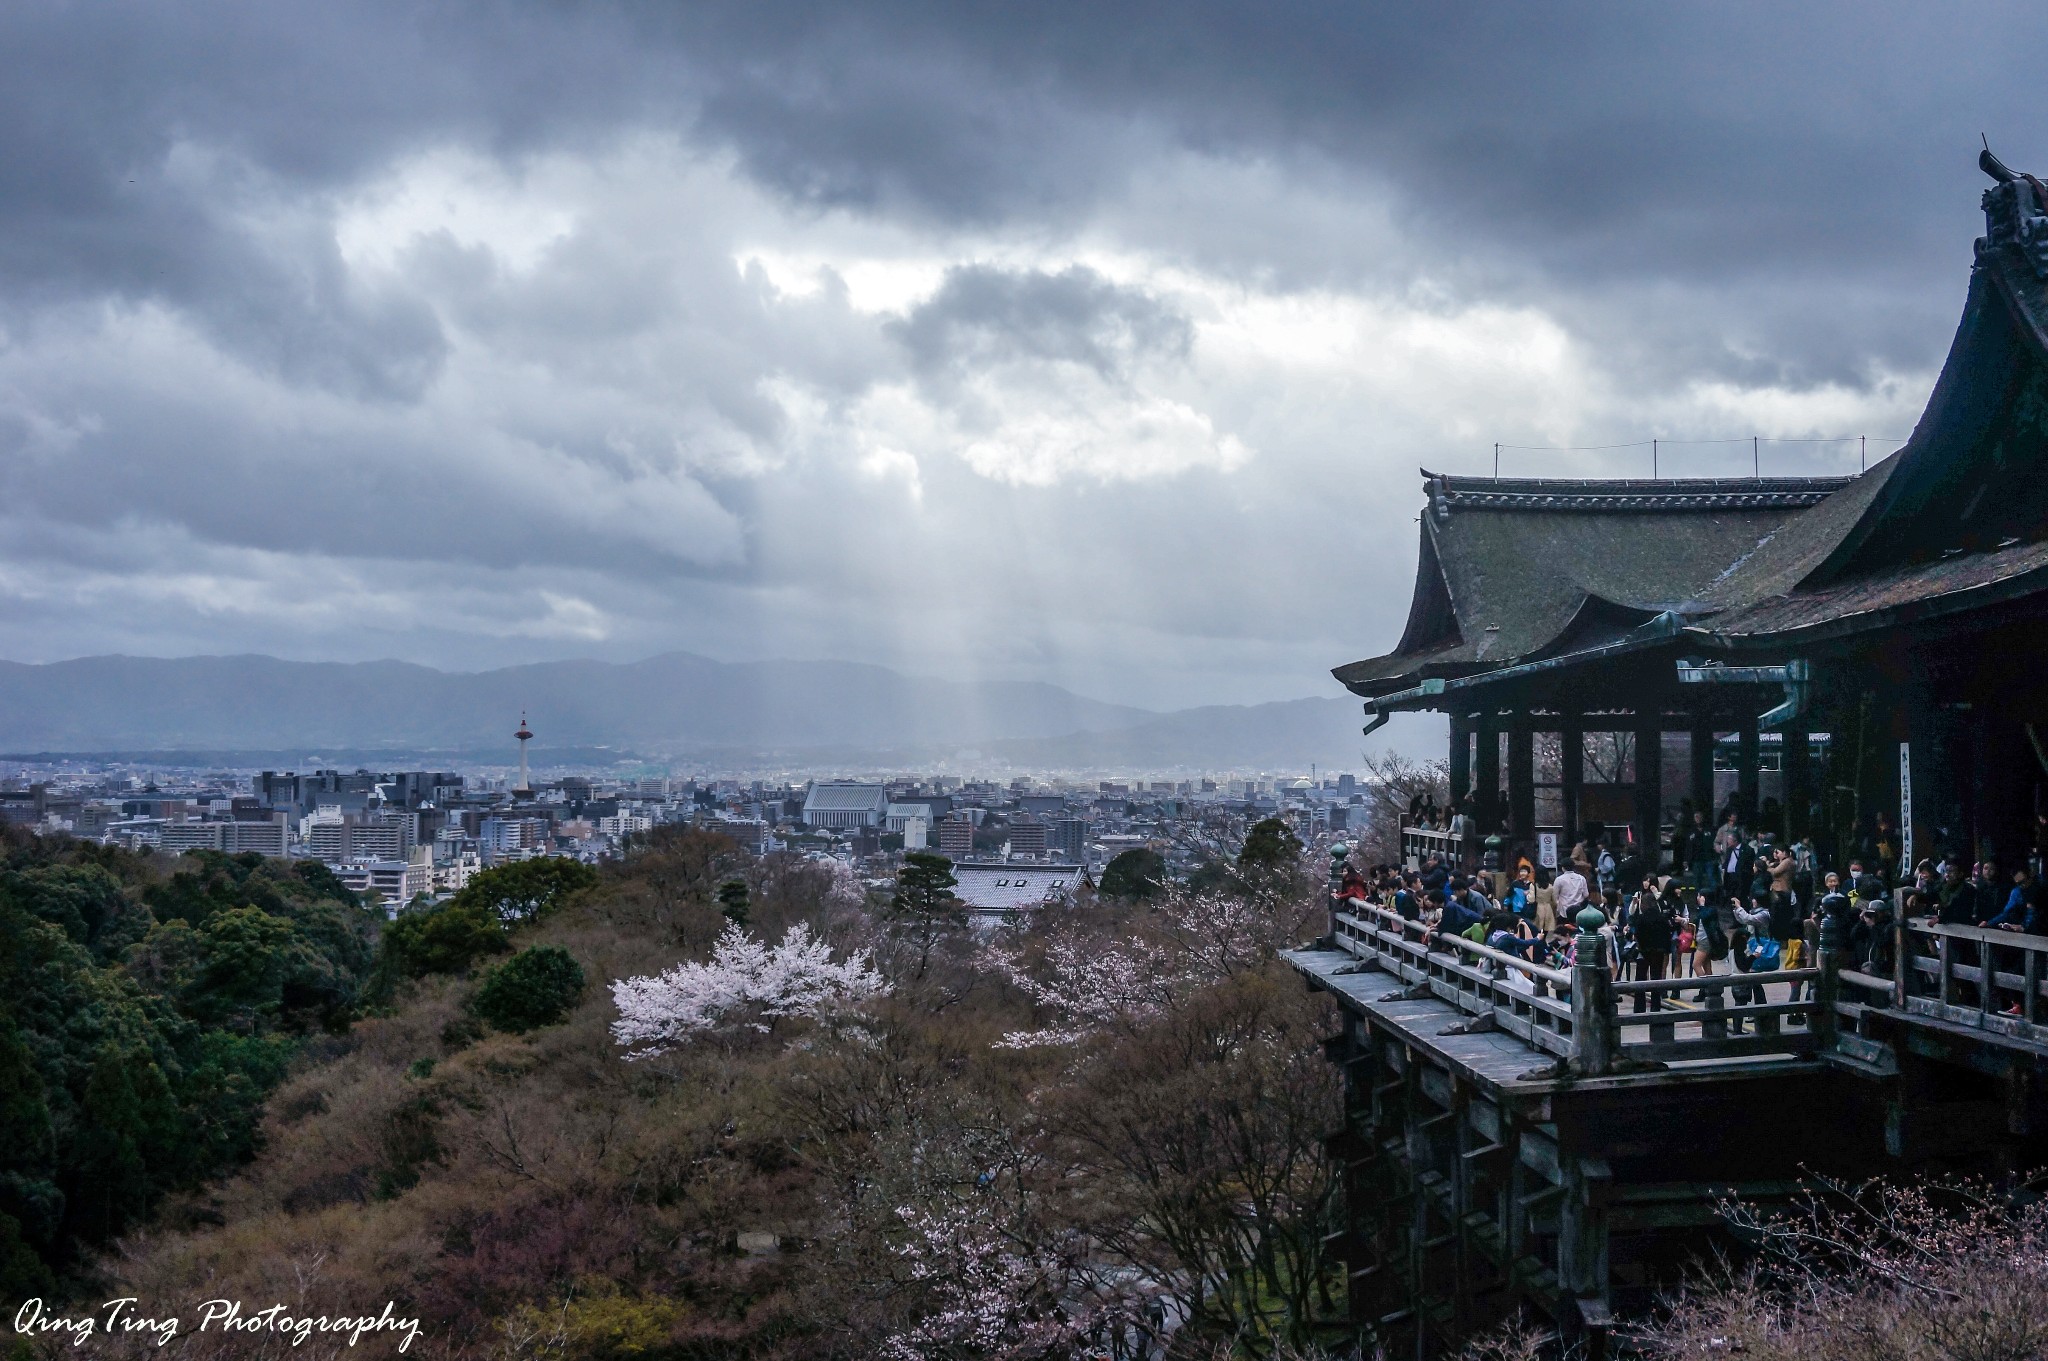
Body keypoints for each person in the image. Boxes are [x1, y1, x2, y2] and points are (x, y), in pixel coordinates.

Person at [1630, 886, 1675, 1011]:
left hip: (1644, 952)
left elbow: (1638, 935)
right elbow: (1667, 935)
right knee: (1656, 978)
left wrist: (1642, 948)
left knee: (1640, 980)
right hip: (1658, 952)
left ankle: (1639, 1007)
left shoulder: (1642, 918)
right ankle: (1655, 1006)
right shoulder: (1662, 918)